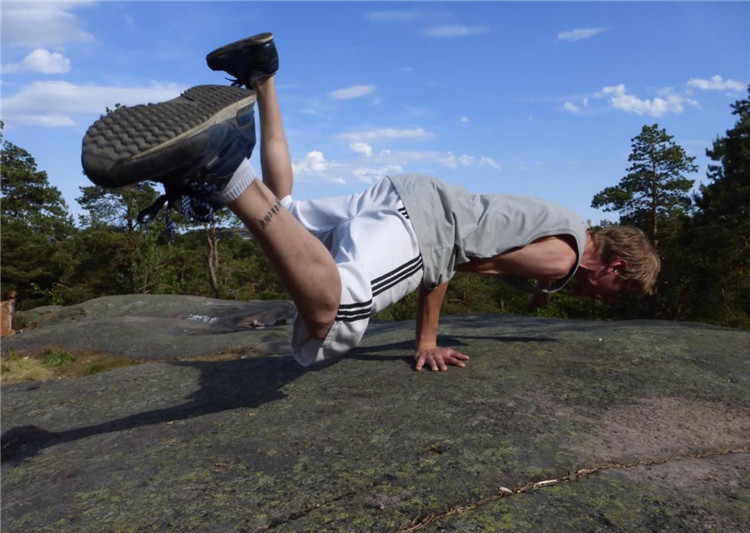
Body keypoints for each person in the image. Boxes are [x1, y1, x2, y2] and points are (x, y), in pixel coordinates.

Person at [82, 33, 660, 371]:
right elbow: (453, 262)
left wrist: (525, 287)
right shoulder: (565, 259)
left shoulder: (563, 222)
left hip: (405, 193)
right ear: (612, 265)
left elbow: (491, 248)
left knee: (282, 209)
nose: (607, 299)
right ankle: (224, 166)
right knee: (331, 319)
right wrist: (427, 341)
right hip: (421, 222)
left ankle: (261, 77)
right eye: (619, 289)